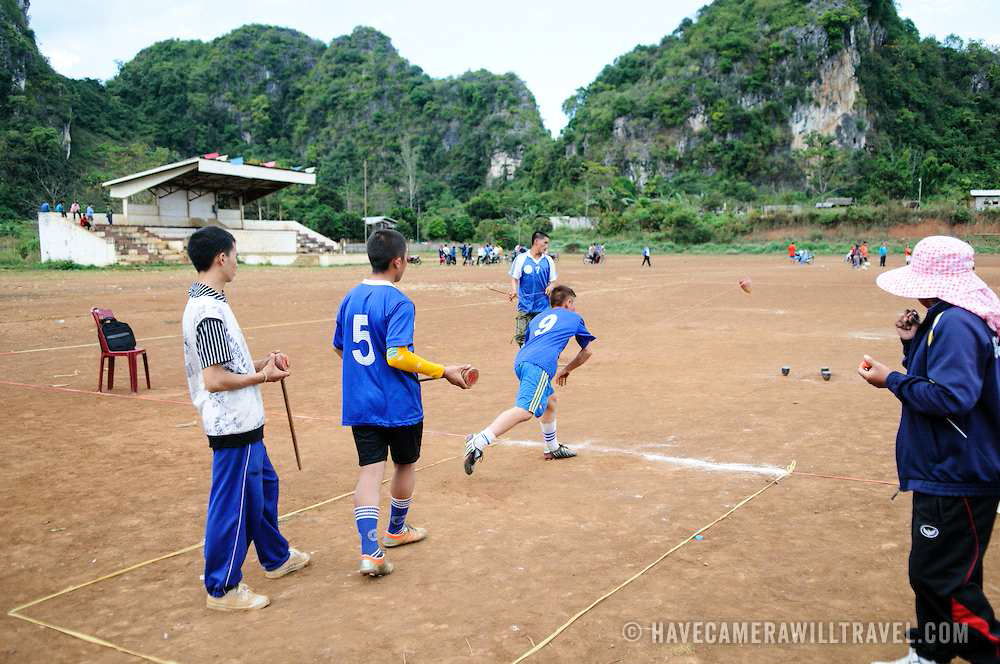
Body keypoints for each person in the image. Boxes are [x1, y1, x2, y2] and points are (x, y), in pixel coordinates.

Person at [859, 236, 1000, 664]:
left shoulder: (956, 323)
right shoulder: (946, 318)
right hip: (947, 468)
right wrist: (911, 344)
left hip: (958, 473)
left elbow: (951, 397)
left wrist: (892, 380)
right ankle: (931, 652)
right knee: (939, 572)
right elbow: (944, 377)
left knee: (941, 579)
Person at [181, 226, 310, 611]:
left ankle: (275, 557)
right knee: (232, 505)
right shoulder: (206, 311)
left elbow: (227, 365)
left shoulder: (215, 302)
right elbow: (216, 379)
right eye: (234, 255)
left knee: (263, 489)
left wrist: (262, 364)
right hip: (231, 425)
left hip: (245, 422)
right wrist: (263, 376)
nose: (237, 262)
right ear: (221, 257)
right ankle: (221, 587)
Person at [333, 229, 472, 576]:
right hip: (398, 404)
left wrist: (368, 373)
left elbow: (340, 348)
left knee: (369, 472)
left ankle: (371, 551)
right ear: (398, 261)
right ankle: (395, 530)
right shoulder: (398, 302)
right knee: (404, 465)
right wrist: (443, 371)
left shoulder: (350, 298)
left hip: (361, 403)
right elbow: (397, 355)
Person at [464, 285, 595, 473]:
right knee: (525, 411)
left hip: (522, 362)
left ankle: (552, 447)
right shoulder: (574, 317)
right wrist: (566, 369)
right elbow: (587, 351)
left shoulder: (538, 318)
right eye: (573, 304)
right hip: (539, 366)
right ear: (568, 302)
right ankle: (479, 440)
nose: (574, 308)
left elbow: (528, 342)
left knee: (550, 401)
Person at [509, 231, 558, 346]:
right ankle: (525, 356)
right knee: (521, 336)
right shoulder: (521, 258)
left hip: (543, 306)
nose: (547, 246)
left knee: (542, 335)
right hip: (525, 305)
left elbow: (553, 280)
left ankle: (540, 358)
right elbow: (514, 278)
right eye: (545, 243)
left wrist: (551, 286)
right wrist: (514, 290)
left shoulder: (548, 260)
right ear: (536, 242)